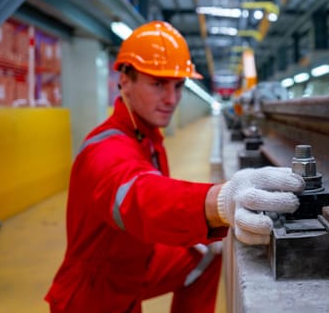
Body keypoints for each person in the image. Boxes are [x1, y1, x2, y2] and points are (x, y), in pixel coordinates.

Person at [45, 21, 305, 313]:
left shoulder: (146, 136)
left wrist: (197, 230)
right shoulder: (104, 150)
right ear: (124, 80)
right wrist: (220, 201)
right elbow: (140, 196)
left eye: (178, 86)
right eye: (158, 84)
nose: (171, 99)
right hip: (94, 294)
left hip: (135, 264)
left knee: (209, 251)